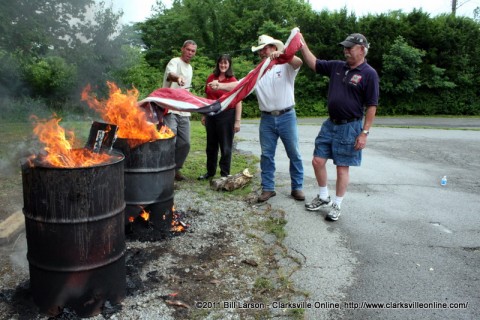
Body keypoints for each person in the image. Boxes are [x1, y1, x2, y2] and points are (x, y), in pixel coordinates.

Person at [209, 35, 305, 202]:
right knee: (266, 155)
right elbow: (240, 85)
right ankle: (268, 188)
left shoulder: (286, 66)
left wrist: (284, 54)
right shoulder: (257, 72)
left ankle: (297, 187)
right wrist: (220, 85)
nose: (262, 52)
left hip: (287, 116)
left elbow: (299, 63)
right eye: (261, 49)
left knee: (294, 153)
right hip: (267, 118)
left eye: (266, 48)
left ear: (274, 48)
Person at [300, 33, 380, 221]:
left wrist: (364, 133)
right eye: (344, 47)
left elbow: (372, 106)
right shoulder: (337, 66)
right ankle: (323, 196)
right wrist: (302, 44)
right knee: (317, 161)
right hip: (330, 124)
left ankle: (337, 204)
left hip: (350, 127)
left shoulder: (369, 74)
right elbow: (314, 63)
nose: (345, 51)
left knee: (342, 168)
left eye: (349, 48)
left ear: (361, 49)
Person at [198, 54, 242, 180]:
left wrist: (237, 121)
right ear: (218, 64)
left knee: (225, 145)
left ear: (229, 65)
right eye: (221, 63)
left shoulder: (233, 80)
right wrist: (204, 114)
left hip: (227, 115)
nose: (223, 65)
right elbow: (207, 98)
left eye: (226, 63)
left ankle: (225, 173)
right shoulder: (211, 78)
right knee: (211, 145)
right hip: (211, 115)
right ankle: (210, 172)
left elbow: (238, 100)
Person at [162, 40, 197, 181]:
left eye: (193, 51)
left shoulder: (190, 68)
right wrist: (178, 78)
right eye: (188, 49)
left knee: (185, 143)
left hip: (184, 110)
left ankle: (176, 169)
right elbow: (171, 75)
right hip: (170, 109)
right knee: (170, 141)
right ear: (182, 49)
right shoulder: (174, 61)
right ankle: (166, 172)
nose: (190, 53)